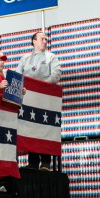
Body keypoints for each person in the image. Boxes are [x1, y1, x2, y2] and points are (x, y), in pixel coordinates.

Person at [18, 30, 61, 169]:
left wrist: (40, 87)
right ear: (34, 41)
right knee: (30, 129)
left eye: (46, 39)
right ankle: (33, 162)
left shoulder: (51, 57)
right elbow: (18, 76)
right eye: (42, 39)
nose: (45, 41)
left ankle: (46, 163)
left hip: (45, 101)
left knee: (45, 129)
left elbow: (55, 76)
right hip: (28, 100)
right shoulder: (24, 59)